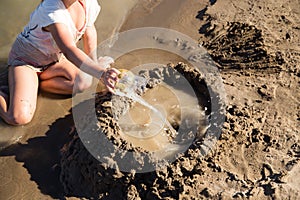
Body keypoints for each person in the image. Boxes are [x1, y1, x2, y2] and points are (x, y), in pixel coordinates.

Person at [0, 0, 120, 126]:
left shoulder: (87, 3)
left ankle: (34, 86)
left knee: (84, 81)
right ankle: (22, 86)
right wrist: (102, 73)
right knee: (18, 118)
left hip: (55, 59)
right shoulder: (52, 9)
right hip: (27, 62)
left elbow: (89, 30)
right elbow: (69, 49)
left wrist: (95, 63)